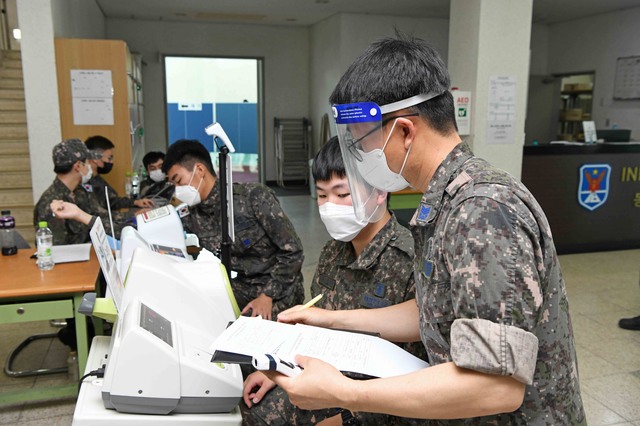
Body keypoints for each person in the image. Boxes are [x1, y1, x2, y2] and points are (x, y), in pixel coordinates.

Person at [267, 34, 586, 424]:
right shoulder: (445, 200)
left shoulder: (482, 211)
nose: (362, 159)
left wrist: (345, 393)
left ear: (404, 131)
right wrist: (330, 318)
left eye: (362, 144)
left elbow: (495, 385)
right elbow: (434, 312)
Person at [242, 137, 425, 425]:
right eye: (322, 195)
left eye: (342, 194)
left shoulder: (410, 259)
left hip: (376, 404)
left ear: (379, 191)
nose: (330, 207)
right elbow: (318, 331)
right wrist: (279, 370)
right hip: (323, 379)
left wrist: (348, 418)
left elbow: (415, 375)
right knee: (252, 411)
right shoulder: (333, 251)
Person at [162, 139, 304, 320]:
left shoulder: (253, 197)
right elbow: (164, 224)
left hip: (279, 285)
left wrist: (268, 295)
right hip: (243, 284)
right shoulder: (194, 214)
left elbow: (293, 252)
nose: (177, 190)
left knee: (249, 327)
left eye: (179, 181)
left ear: (199, 170)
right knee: (195, 308)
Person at [33, 138, 120, 244]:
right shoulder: (51, 204)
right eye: (87, 162)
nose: (90, 167)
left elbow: (101, 217)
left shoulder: (80, 192)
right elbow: (56, 250)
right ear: (78, 166)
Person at [84, 135, 154, 209]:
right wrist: (131, 216)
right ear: (95, 158)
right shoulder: (85, 182)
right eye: (109, 158)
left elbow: (112, 201)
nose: (111, 162)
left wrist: (135, 202)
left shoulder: (97, 179)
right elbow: (98, 213)